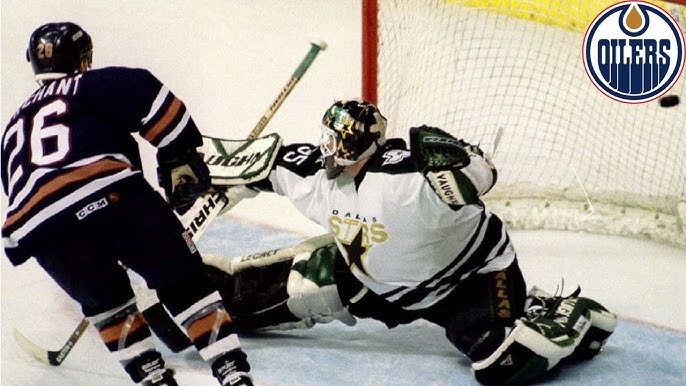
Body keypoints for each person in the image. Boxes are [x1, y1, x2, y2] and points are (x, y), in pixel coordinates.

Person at [198, 99, 618, 385]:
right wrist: (198, 172)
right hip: (374, 278)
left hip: (467, 281)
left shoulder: (408, 181)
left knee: (503, 364)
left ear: (369, 144)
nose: (332, 150)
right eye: (330, 138)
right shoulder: (315, 177)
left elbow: (478, 176)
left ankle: (569, 313)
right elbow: (258, 162)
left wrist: (459, 162)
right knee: (247, 300)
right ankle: (187, 290)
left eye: (343, 141)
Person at [1, 22, 253, 386]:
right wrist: (179, 153)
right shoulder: (86, 85)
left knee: (107, 304)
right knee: (183, 282)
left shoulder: (13, 126)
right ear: (83, 59)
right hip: (112, 197)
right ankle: (233, 375)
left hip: (41, 232)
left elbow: (25, 191)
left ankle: (154, 379)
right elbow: (149, 94)